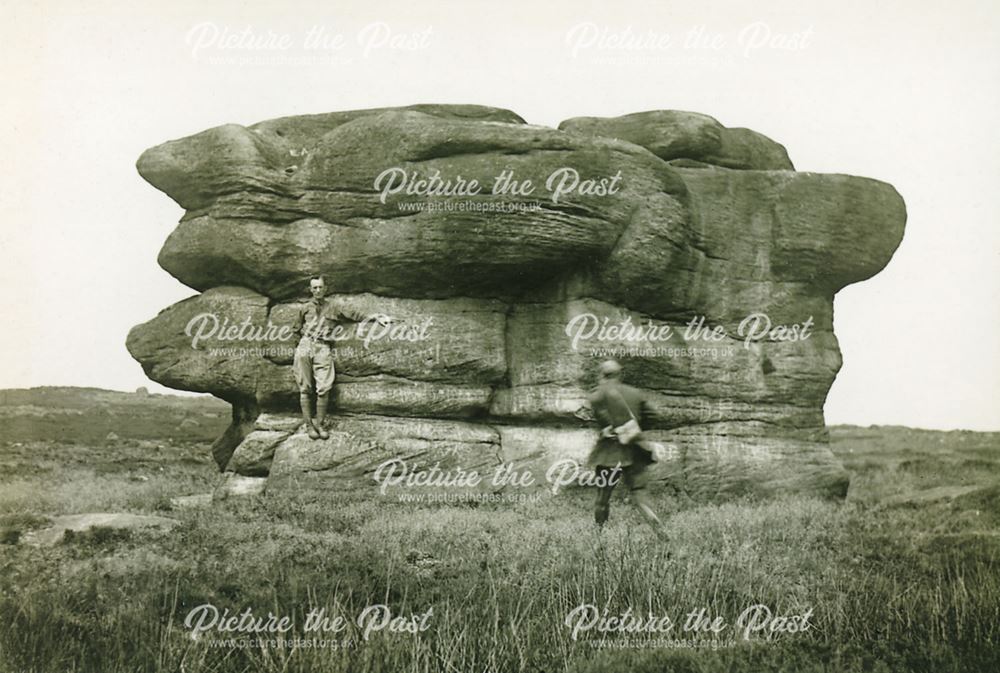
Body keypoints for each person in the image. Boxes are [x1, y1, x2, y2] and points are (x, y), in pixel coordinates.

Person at [293, 275, 388, 440]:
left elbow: (353, 314)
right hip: (305, 345)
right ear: (311, 290)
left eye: (320, 287)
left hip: (323, 347)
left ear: (325, 289)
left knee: (323, 388)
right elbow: (295, 329)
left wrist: (373, 317)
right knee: (305, 388)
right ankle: (309, 425)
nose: (317, 290)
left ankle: (320, 424)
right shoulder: (305, 308)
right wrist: (301, 347)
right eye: (314, 288)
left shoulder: (334, 307)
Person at [586, 359, 668, 539]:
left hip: (609, 456)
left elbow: (602, 422)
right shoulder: (635, 394)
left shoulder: (596, 396)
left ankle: (598, 540)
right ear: (619, 374)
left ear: (601, 375)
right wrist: (634, 430)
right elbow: (654, 416)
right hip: (635, 452)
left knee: (602, 498)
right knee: (639, 497)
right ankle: (660, 532)